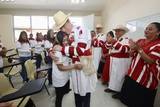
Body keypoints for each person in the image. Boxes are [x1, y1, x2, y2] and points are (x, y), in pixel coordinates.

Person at [52, 11, 97, 107]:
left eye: (62, 27)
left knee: (85, 91)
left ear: (68, 22)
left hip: (84, 66)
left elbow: (82, 50)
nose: (62, 30)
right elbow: (61, 47)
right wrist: (51, 52)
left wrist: (62, 49)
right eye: (61, 28)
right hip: (75, 69)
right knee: (77, 92)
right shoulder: (70, 34)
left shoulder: (81, 29)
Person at [120, 22, 160, 107]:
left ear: (158, 32)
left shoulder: (158, 45)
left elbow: (150, 61)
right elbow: (131, 55)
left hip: (144, 80)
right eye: (146, 28)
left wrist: (138, 48)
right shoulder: (140, 41)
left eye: (150, 29)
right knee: (128, 100)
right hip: (132, 74)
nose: (146, 30)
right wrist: (131, 50)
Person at [51, 31, 82, 107]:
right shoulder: (57, 51)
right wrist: (75, 66)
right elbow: (61, 67)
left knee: (63, 94)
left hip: (65, 76)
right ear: (59, 40)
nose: (65, 42)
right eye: (63, 40)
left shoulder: (65, 48)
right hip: (59, 77)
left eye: (66, 40)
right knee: (59, 98)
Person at [105, 25, 131, 99]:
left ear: (123, 31)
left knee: (120, 76)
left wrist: (114, 42)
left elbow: (125, 49)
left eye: (118, 31)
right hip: (114, 59)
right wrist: (109, 41)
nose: (116, 32)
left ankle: (118, 91)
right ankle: (112, 87)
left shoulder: (126, 39)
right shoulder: (117, 39)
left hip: (122, 61)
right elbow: (108, 47)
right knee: (113, 75)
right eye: (116, 31)